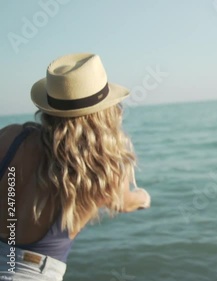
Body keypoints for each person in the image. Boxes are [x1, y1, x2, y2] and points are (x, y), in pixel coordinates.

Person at [0, 53, 151, 280]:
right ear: (106, 112)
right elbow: (126, 202)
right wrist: (144, 197)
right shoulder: (100, 168)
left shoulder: (10, 137)